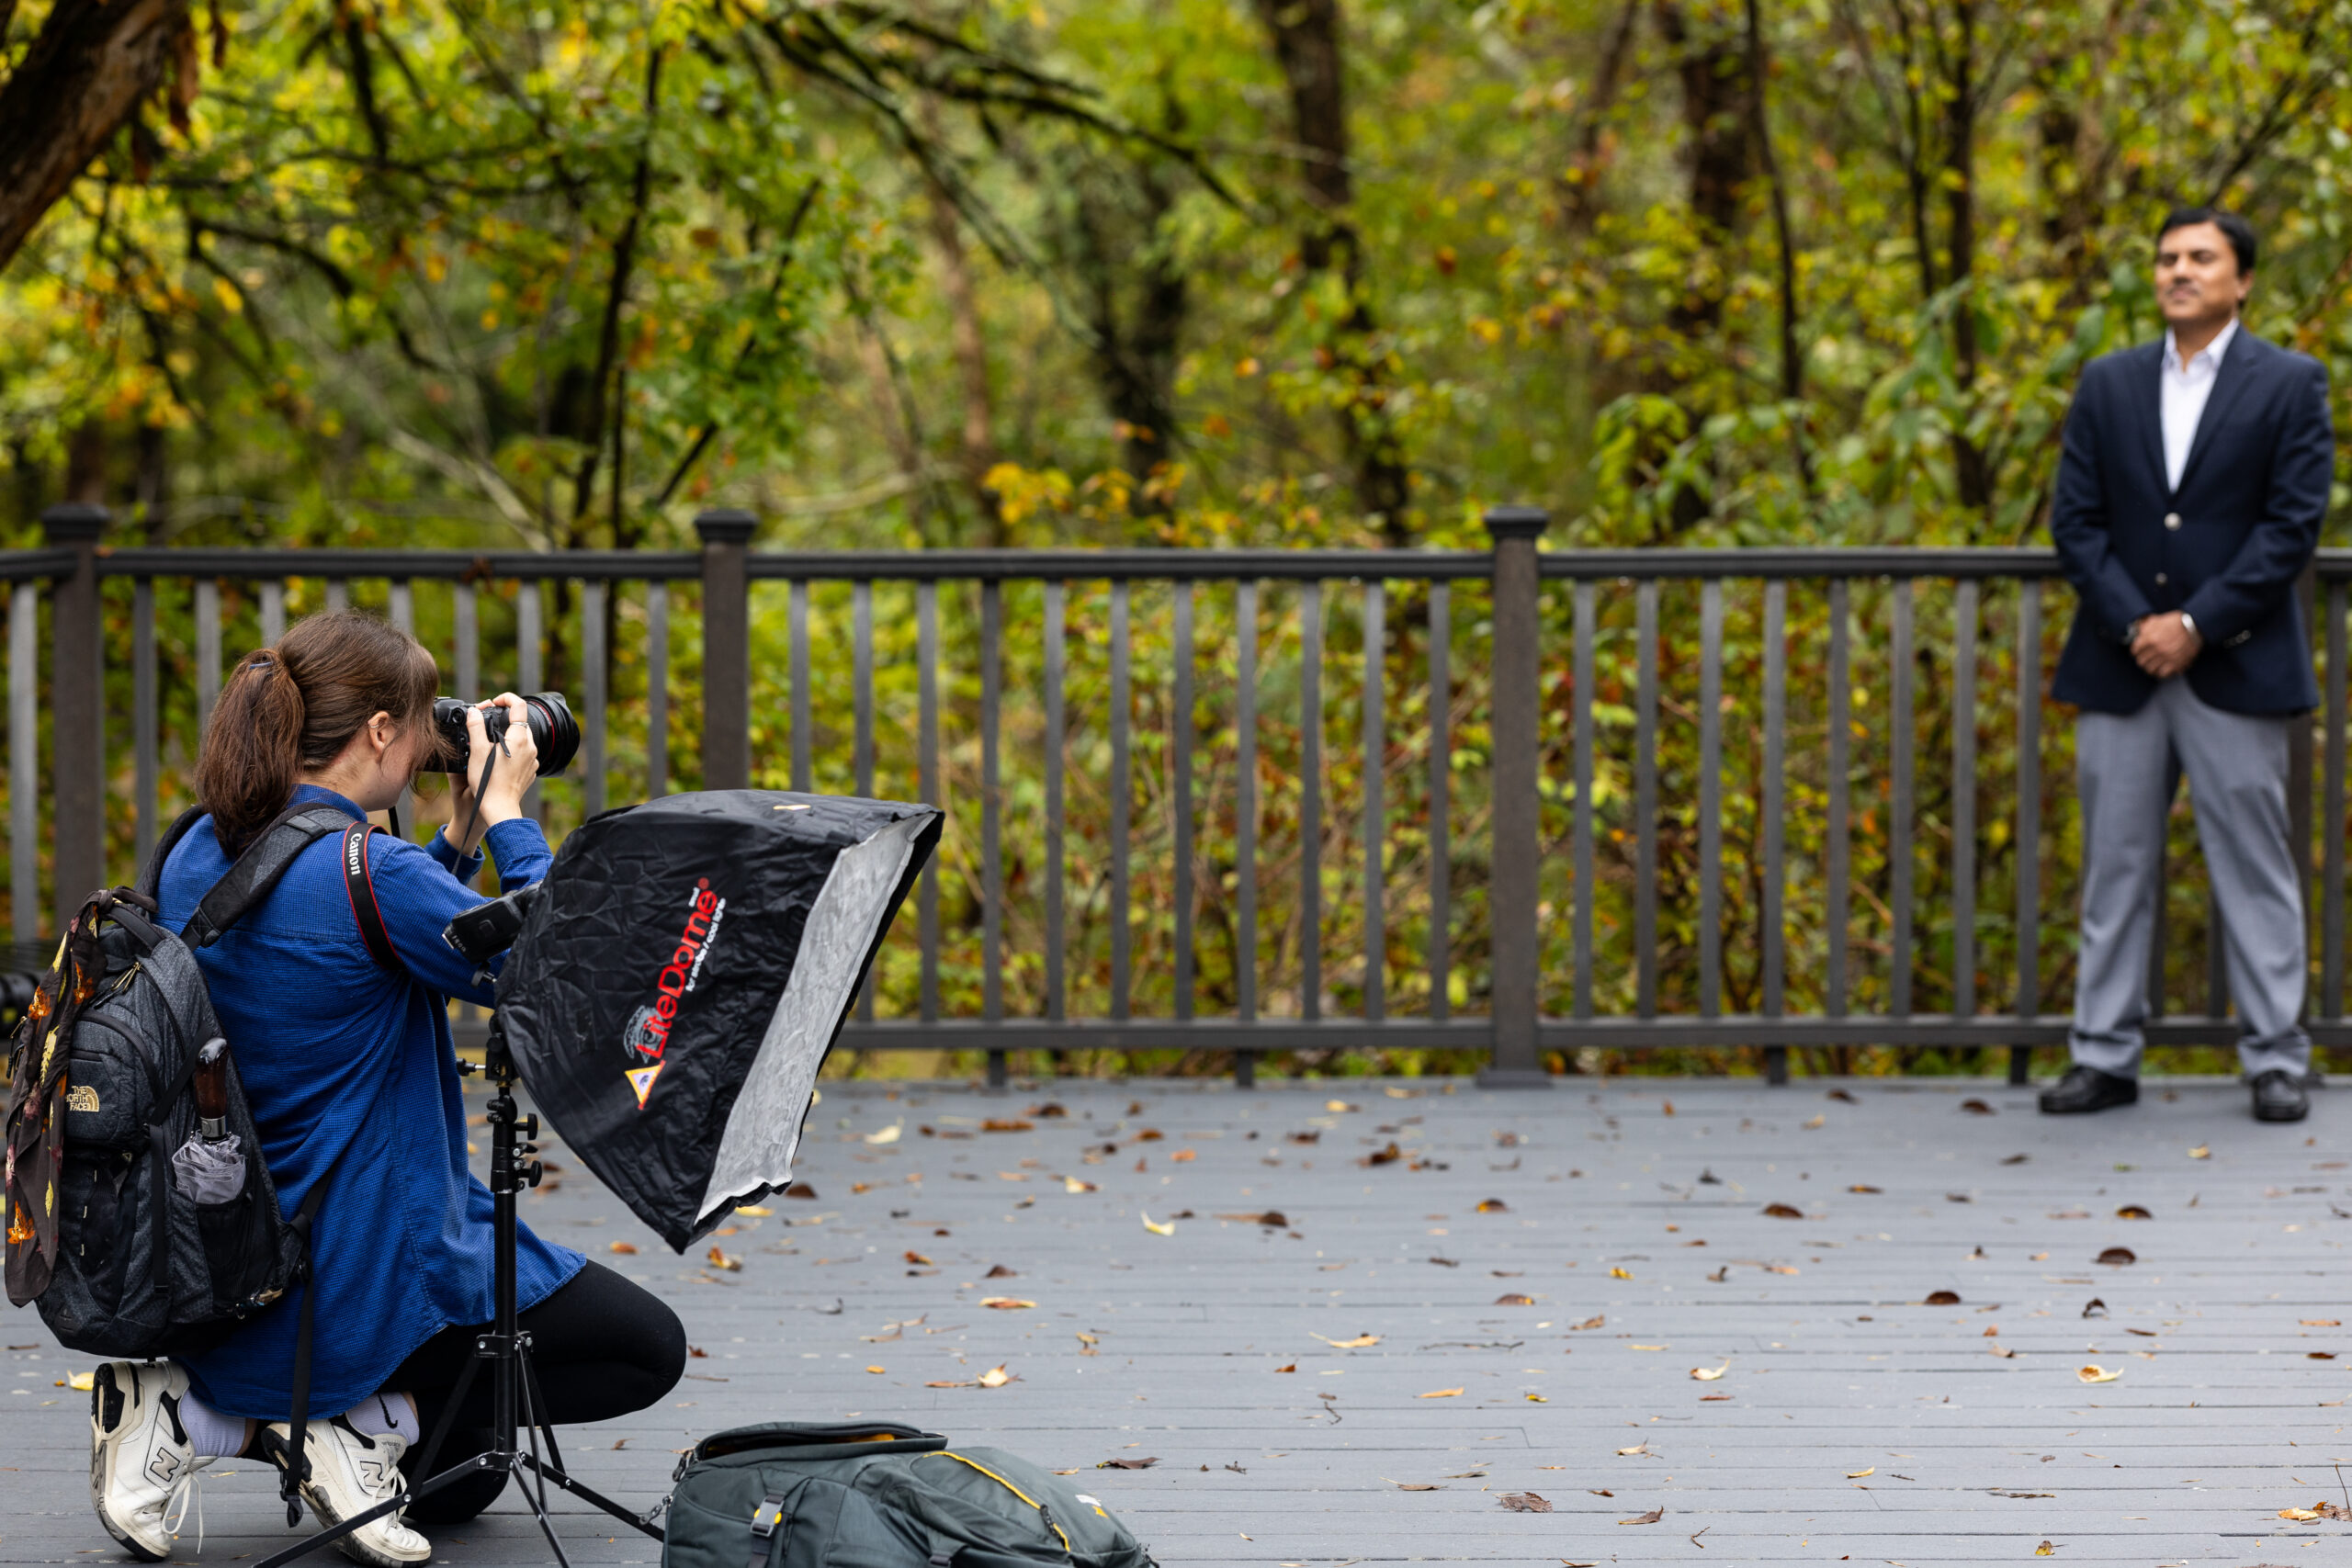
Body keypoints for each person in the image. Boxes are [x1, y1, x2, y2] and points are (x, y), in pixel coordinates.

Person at [85, 612, 685, 1566]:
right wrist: (508, 819)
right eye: (419, 724)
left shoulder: (195, 845)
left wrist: (452, 838)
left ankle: (235, 1413)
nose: (426, 747)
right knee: (646, 1348)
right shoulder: (373, 871)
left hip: (224, 1247)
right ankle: (312, 1415)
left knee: (464, 1475)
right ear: (377, 731)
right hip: (367, 1250)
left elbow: (358, 954)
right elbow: (559, 981)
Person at [2044, 207, 2335, 1122]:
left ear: (2240, 280)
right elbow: (2074, 522)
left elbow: (2292, 524)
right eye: (2167, 257)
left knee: (2255, 865)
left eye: (2201, 257)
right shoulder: (2107, 382)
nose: (2179, 270)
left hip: (2237, 667)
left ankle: (2276, 1058)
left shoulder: (2290, 382)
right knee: (2113, 866)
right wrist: (2140, 622)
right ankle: (2102, 1055)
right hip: (2119, 664)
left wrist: (2197, 623)